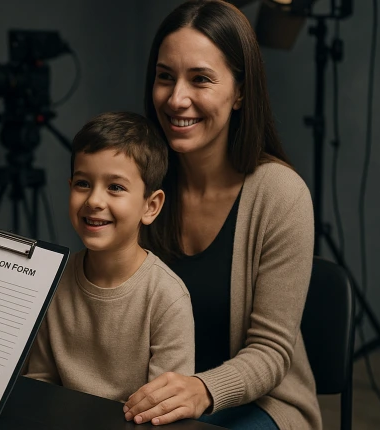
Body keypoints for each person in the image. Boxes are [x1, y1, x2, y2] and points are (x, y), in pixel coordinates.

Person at [122, 1, 321, 429]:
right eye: (165, 77)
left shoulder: (281, 195)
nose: (176, 99)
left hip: (259, 404)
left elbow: (270, 352)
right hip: (156, 400)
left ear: (241, 91)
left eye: (201, 79)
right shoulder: (139, 184)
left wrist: (203, 389)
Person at [25, 111, 195, 402]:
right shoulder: (55, 279)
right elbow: (40, 381)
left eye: (115, 187)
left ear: (151, 206)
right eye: (83, 184)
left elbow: (163, 409)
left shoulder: (167, 297)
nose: (94, 200)